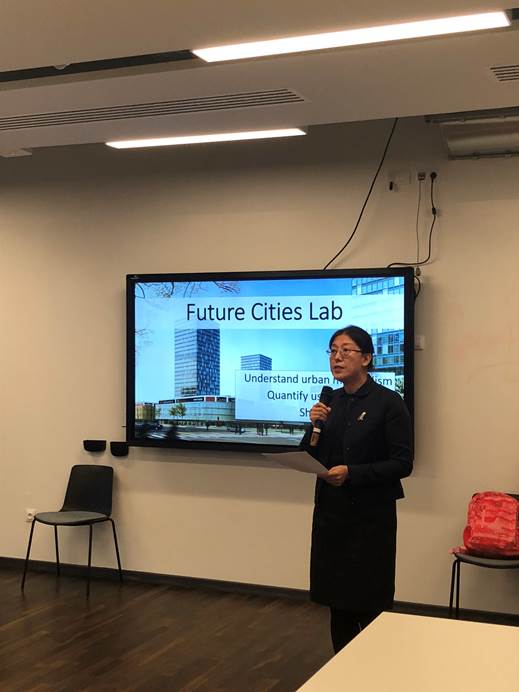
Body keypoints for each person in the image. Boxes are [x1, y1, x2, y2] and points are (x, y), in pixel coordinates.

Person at [300, 325, 413, 653]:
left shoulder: (388, 403)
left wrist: (352, 473)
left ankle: (376, 671)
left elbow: (402, 463)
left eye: (345, 350)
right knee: (338, 605)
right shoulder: (330, 403)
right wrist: (313, 425)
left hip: (369, 520)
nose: (336, 357)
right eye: (332, 350)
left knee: (370, 604)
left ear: (366, 358)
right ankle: (342, 670)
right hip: (331, 517)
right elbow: (311, 454)